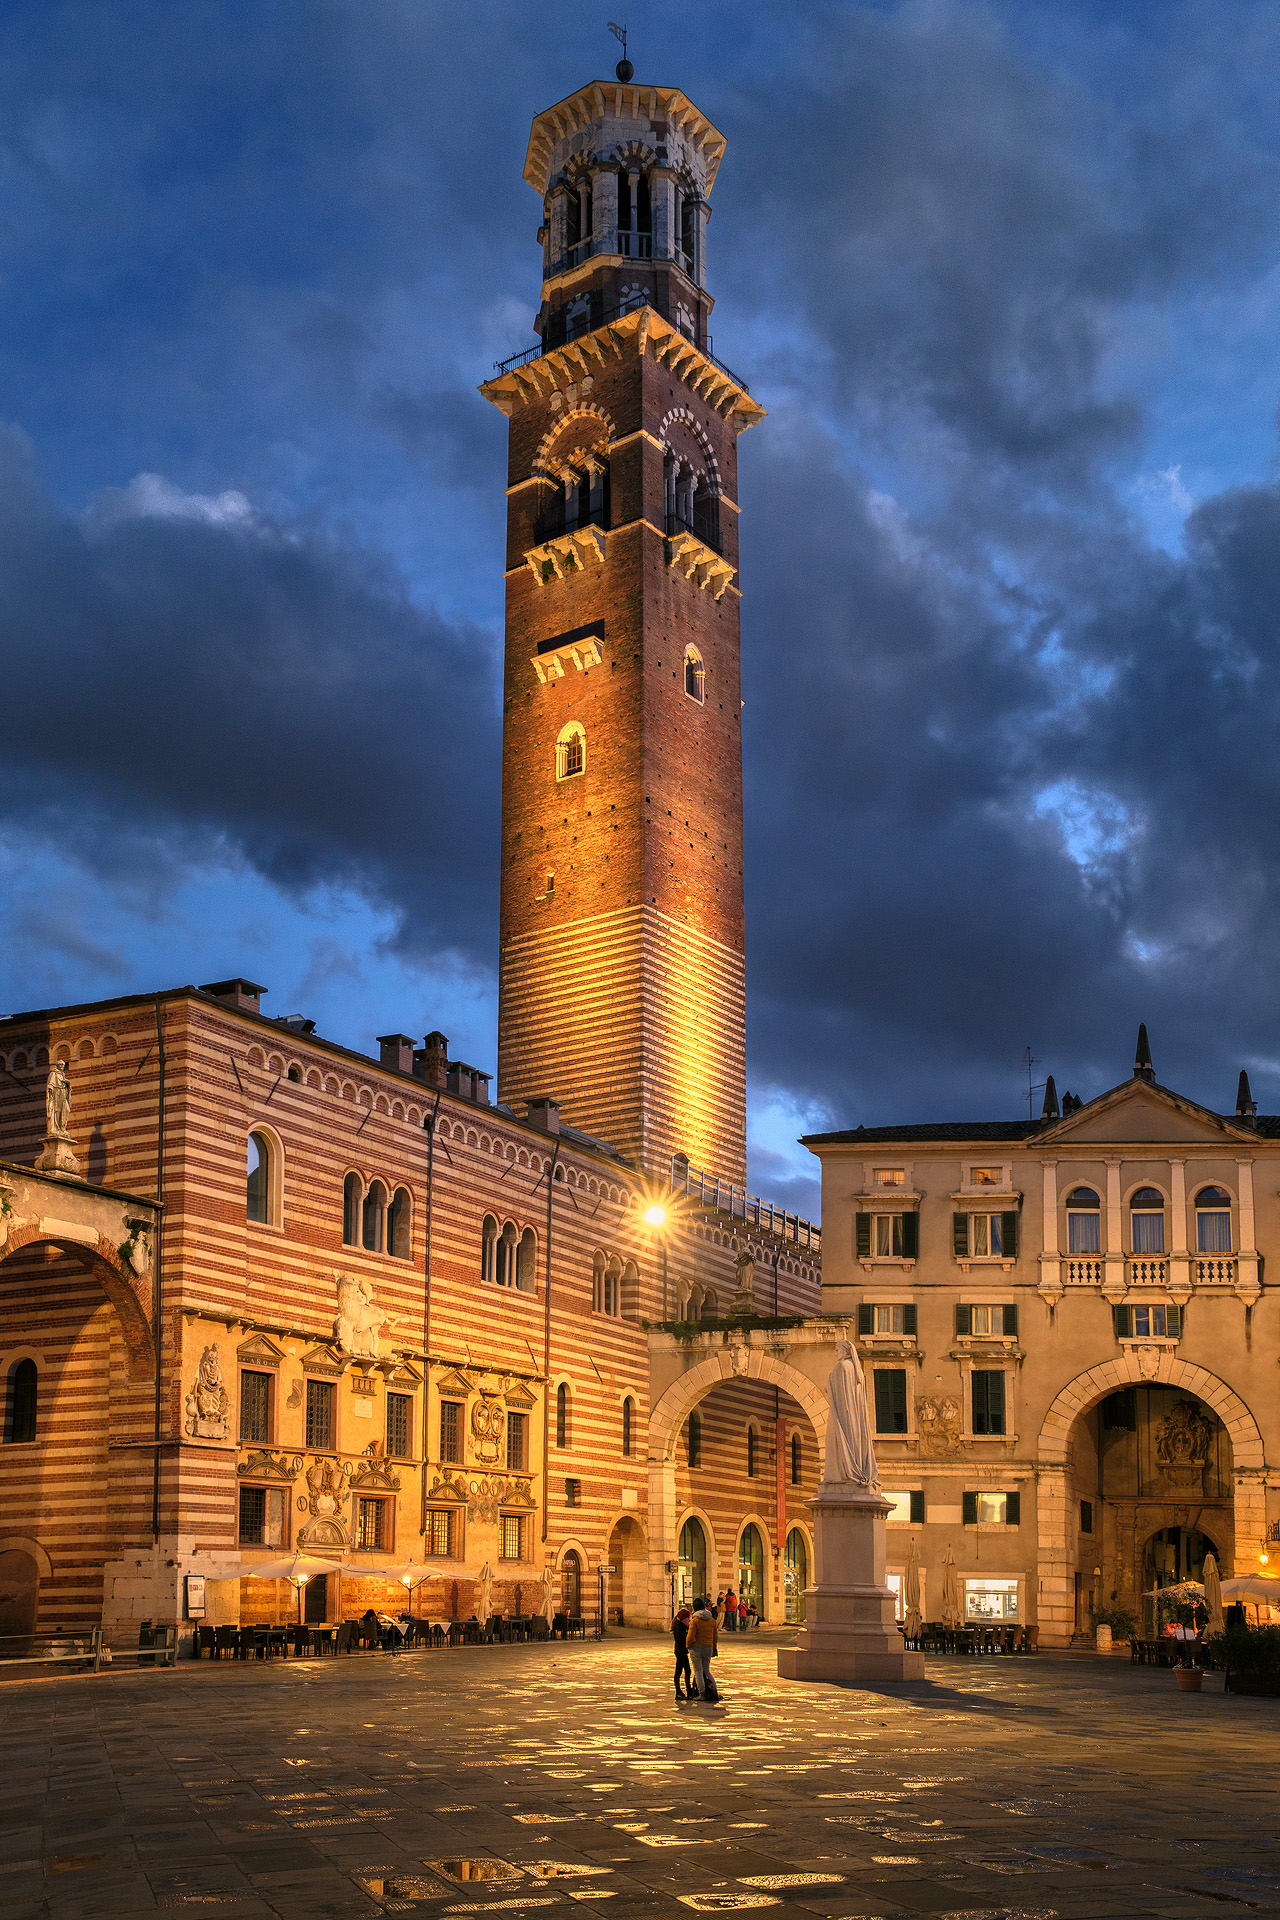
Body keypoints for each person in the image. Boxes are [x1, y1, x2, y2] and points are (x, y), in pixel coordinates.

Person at [686, 1596, 720, 1703]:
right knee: (707, 1670)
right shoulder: (712, 1620)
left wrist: (688, 1645)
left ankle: (703, 1694)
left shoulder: (694, 1620)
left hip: (696, 1648)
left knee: (698, 1671)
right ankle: (714, 1691)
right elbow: (715, 1636)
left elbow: (691, 1636)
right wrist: (714, 1647)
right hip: (708, 1647)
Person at [671, 1604, 695, 1700]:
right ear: (684, 1619)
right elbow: (681, 1640)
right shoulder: (679, 1627)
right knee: (684, 1671)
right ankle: (685, 1691)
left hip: (680, 1651)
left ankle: (681, 1691)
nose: (689, 1620)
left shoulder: (680, 1625)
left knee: (681, 1671)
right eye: (688, 1618)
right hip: (681, 1651)